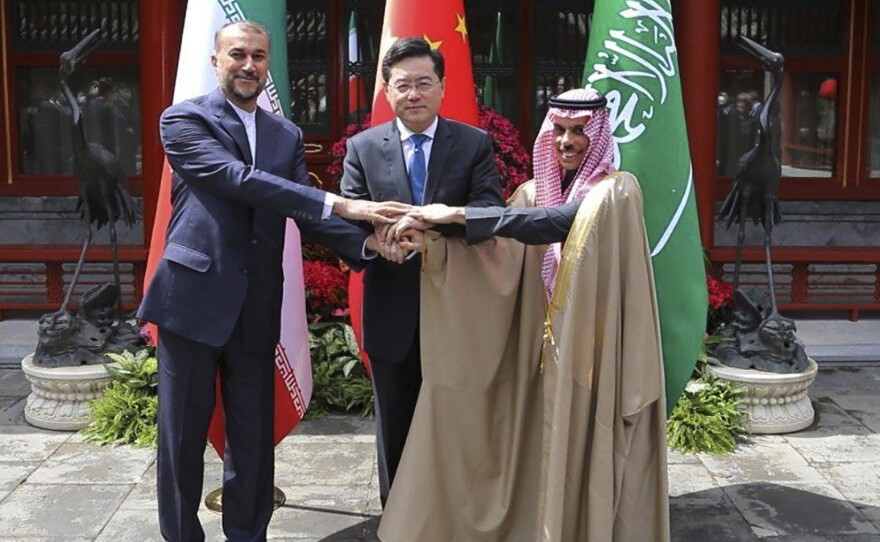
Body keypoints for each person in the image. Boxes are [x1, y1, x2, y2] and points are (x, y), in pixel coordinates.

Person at [137, 21, 407, 542]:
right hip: (192, 299)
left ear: (268, 66)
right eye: (237, 54)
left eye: (259, 56)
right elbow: (237, 181)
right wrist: (341, 201)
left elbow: (297, 208)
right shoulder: (183, 119)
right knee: (181, 439)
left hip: (257, 303)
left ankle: (248, 534)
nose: (249, 65)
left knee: (253, 438)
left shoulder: (285, 134)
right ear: (216, 62)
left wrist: (367, 243)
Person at [380, 88, 669, 542]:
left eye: (579, 132)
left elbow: (556, 223)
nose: (566, 141)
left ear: (599, 136)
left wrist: (455, 213)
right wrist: (435, 246)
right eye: (558, 130)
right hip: (538, 352)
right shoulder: (533, 193)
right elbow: (500, 255)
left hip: (594, 352)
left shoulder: (617, 191)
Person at [339, 36, 505, 505]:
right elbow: (344, 223)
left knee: (456, 423)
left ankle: (452, 518)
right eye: (403, 85)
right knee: (395, 424)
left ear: (442, 87)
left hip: (455, 308)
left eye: (424, 84)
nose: (414, 94)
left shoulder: (472, 144)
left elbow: (489, 213)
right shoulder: (363, 148)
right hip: (392, 308)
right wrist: (373, 245)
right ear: (387, 91)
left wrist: (433, 232)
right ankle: (398, 520)